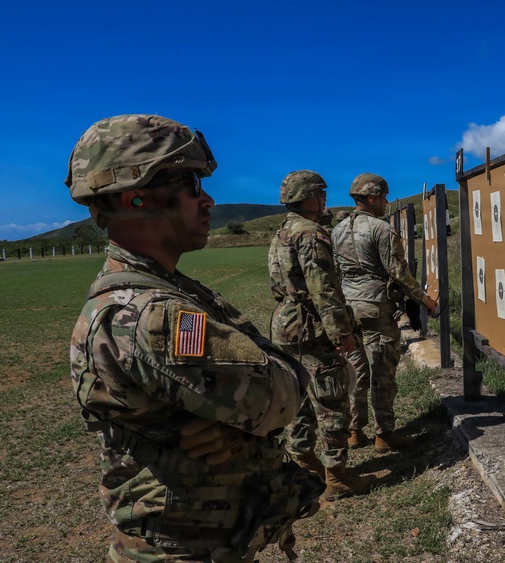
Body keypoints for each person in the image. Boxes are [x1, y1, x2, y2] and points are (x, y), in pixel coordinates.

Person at [65, 114, 322, 562]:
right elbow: (280, 398)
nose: (208, 202)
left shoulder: (163, 288)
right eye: (191, 186)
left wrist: (235, 429)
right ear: (137, 198)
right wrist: (272, 394)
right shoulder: (151, 313)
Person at [268, 170, 375, 500]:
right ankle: (336, 475)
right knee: (332, 400)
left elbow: (277, 284)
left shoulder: (282, 231)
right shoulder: (310, 233)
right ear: (308, 197)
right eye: (321, 193)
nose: (325, 199)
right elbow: (323, 289)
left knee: (299, 396)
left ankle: (304, 456)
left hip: (286, 325)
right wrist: (341, 333)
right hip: (313, 327)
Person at [332, 173, 438, 453]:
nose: (385, 202)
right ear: (370, 197)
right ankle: (385, 434)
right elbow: (399, 274)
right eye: (382, 197)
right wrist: (426, 301)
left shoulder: (338, 229)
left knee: (354, 370)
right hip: (377, 307)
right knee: (383, 372)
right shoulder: (382, 230)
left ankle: (355, 431)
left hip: (347, 307)